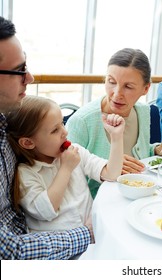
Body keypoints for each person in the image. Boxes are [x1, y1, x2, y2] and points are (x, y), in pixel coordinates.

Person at [0, 16, 92, 259]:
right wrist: (86, 235)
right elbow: (9, 252)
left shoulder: (7, 126)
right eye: (19, 70)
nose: (29, 78)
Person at [66, 48, 162, 199]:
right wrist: (108, 165)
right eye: (111, 82)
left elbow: (138, 153)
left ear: (146, 89)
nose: (117, 93)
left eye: (128, 86)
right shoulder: (82, 122)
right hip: (97, 205)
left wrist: (156, 149)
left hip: (140, 196)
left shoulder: (143, 112)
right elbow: (68, 175)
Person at [7, 96, 125, 232]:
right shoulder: (25, 173)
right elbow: (46, 211)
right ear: (28, 143)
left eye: (62, 123)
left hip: (93, 236)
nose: (65, 132)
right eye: (55, 130)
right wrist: (66, 168)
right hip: (62, 250)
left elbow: (112, 174)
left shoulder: (75, 151)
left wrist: (116, 137)